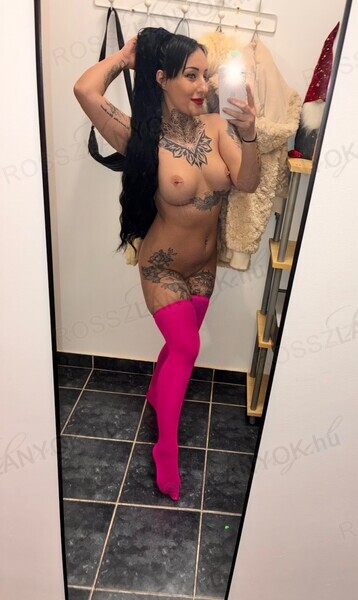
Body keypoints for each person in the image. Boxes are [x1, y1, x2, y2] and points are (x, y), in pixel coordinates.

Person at [74, 27, 260, 501]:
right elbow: (85, 91)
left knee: (179, 347)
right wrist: (124, 56)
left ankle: (157, 394)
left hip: (204, 267)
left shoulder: (217, 126)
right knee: (186, 346)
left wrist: (250, 134)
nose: (203, 86)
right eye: (191, 75)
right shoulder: (139, 136)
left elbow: (248, 182)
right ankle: (166, 449)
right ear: (162, 78)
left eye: (206, 75)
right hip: (162, 266)